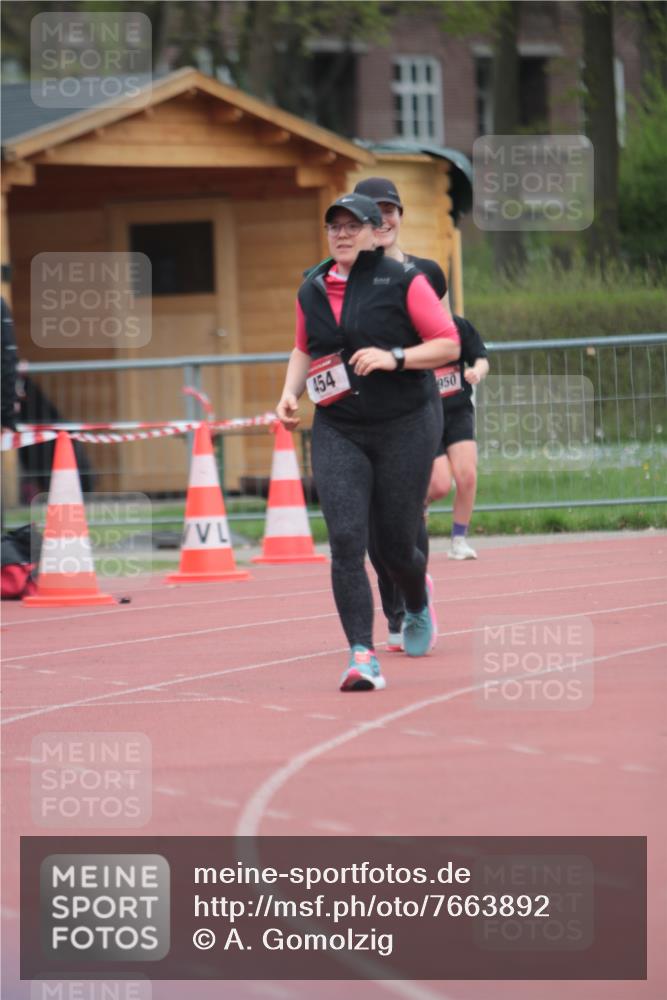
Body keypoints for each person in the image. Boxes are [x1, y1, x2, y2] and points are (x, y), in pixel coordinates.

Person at [276, 192, 460, 692]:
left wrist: (394, 356)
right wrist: (289, 395)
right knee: (346, 541)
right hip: (338, 426)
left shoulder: (401, 280)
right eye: (332, 226)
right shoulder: (311, 288)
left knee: (397, 545)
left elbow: (448, 343)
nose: (341, 234)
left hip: (405, 421)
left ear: (372, 230)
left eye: (351, 225)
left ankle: (416, 599)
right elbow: (302, 347)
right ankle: (362, 653)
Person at [352, 177, 446, 651]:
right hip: (360, 416)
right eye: (373, 211)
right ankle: (396, 608)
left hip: (415, 409)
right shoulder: (334, 277)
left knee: (405, 516)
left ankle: (413, 605)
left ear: (401, 216)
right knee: (371, 522)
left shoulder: (427, 273)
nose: (383, 219)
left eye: (390, 210)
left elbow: (447, 341)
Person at [429, 315, 489, 560]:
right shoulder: (405, 326)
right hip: (424, 414)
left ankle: (459, 540)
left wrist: (476, 371)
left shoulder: (458, 326)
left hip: (457, 410)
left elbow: (482, 360)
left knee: (468, 475)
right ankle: (411, 509)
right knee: (439, 484)